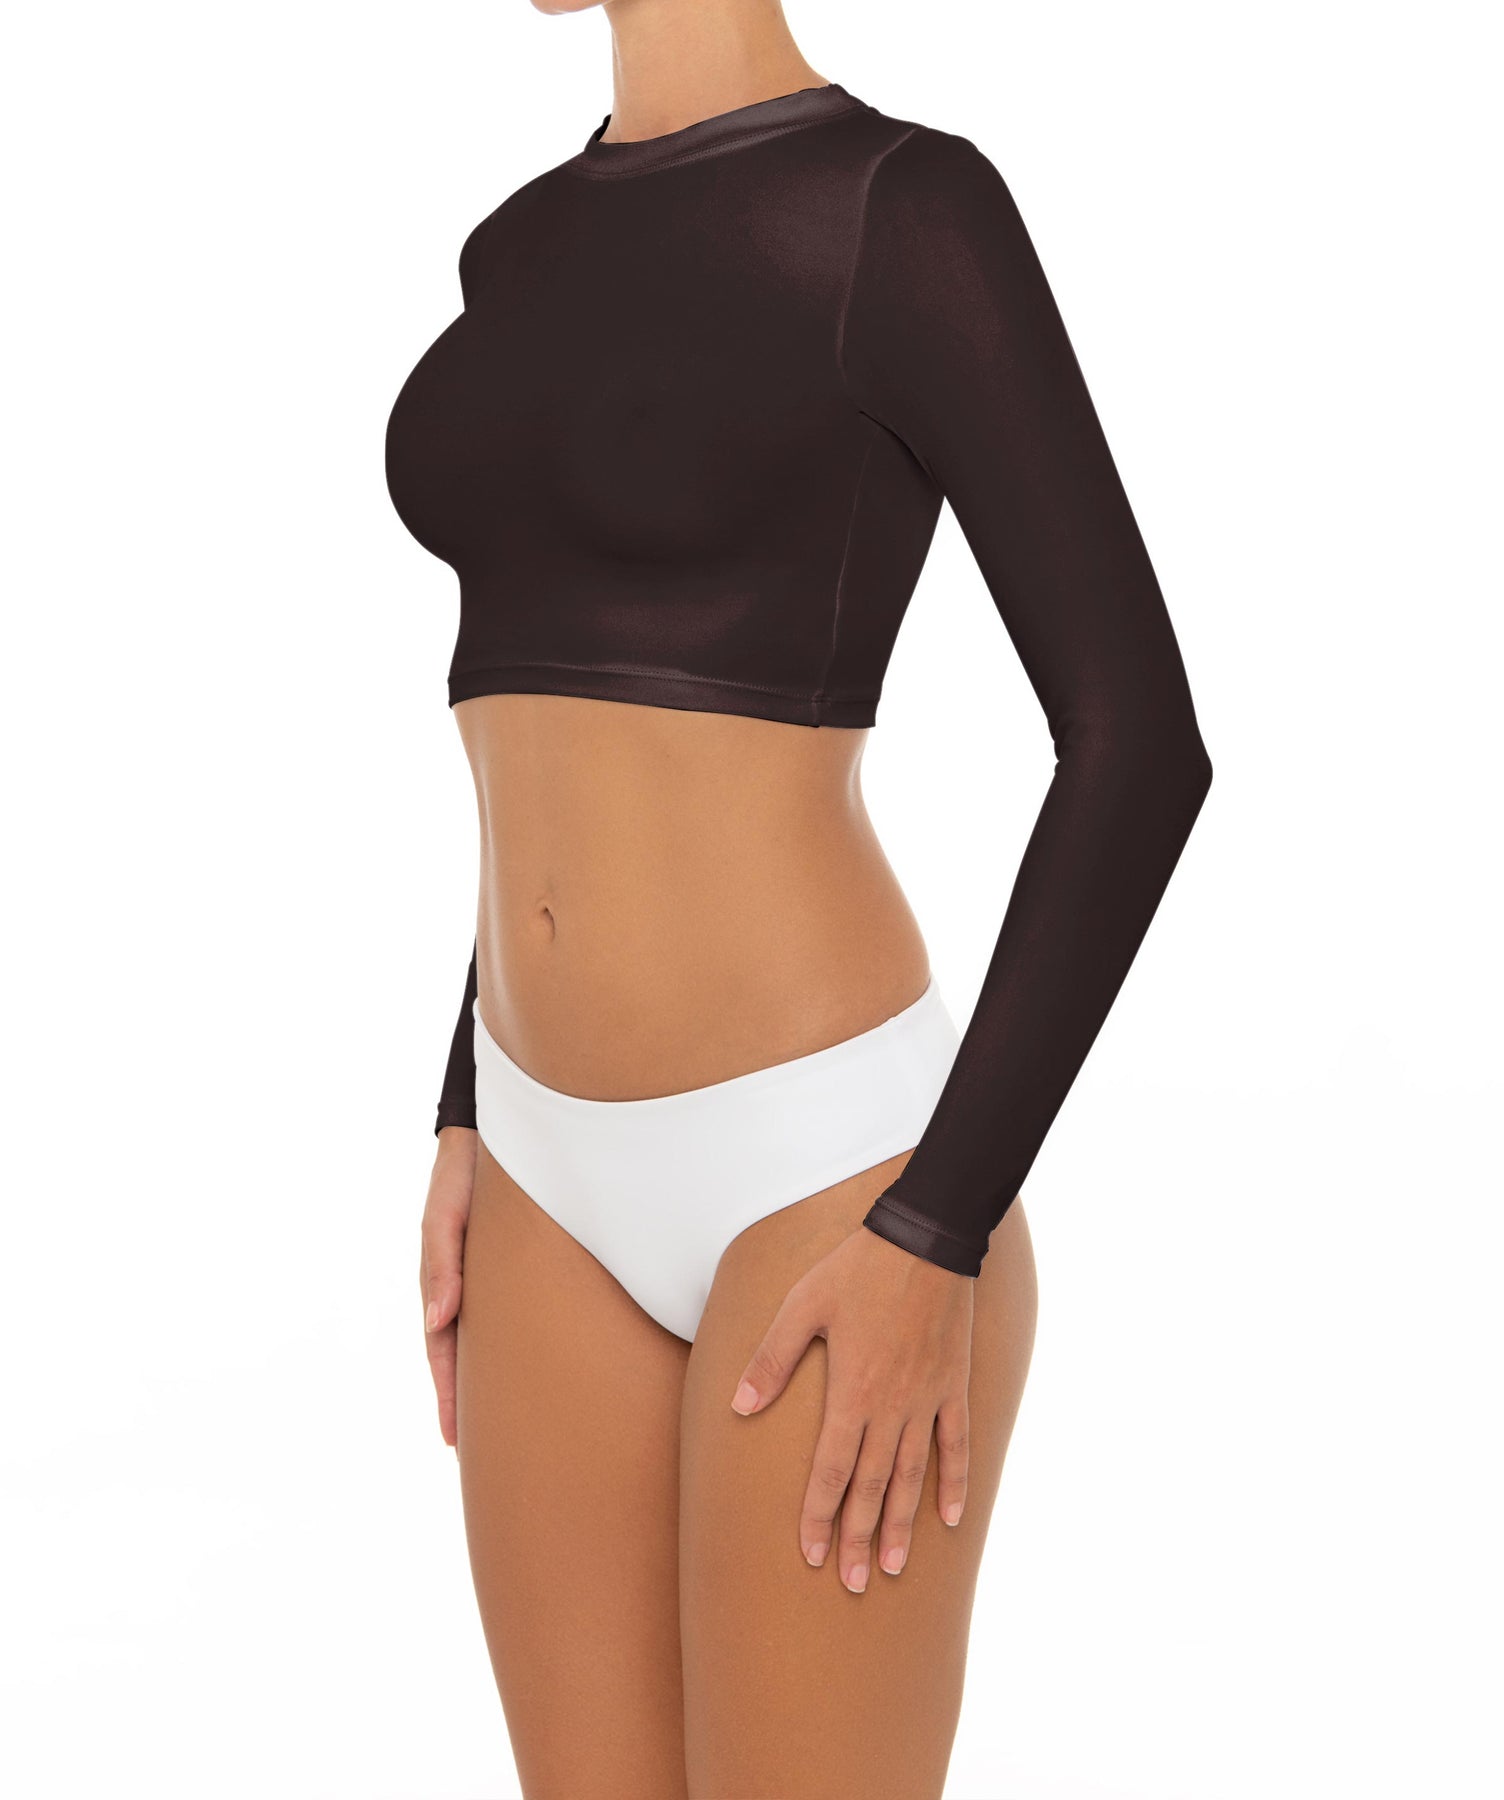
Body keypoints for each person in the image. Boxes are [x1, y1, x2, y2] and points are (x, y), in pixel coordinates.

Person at [385, 0, 1211, 1792]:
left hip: (826, 1179)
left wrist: (939, 1228)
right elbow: (542, 718)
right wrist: (463, 1101)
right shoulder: (517, 244)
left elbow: (1140, 744)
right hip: (538, 1171)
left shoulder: (901, 211)